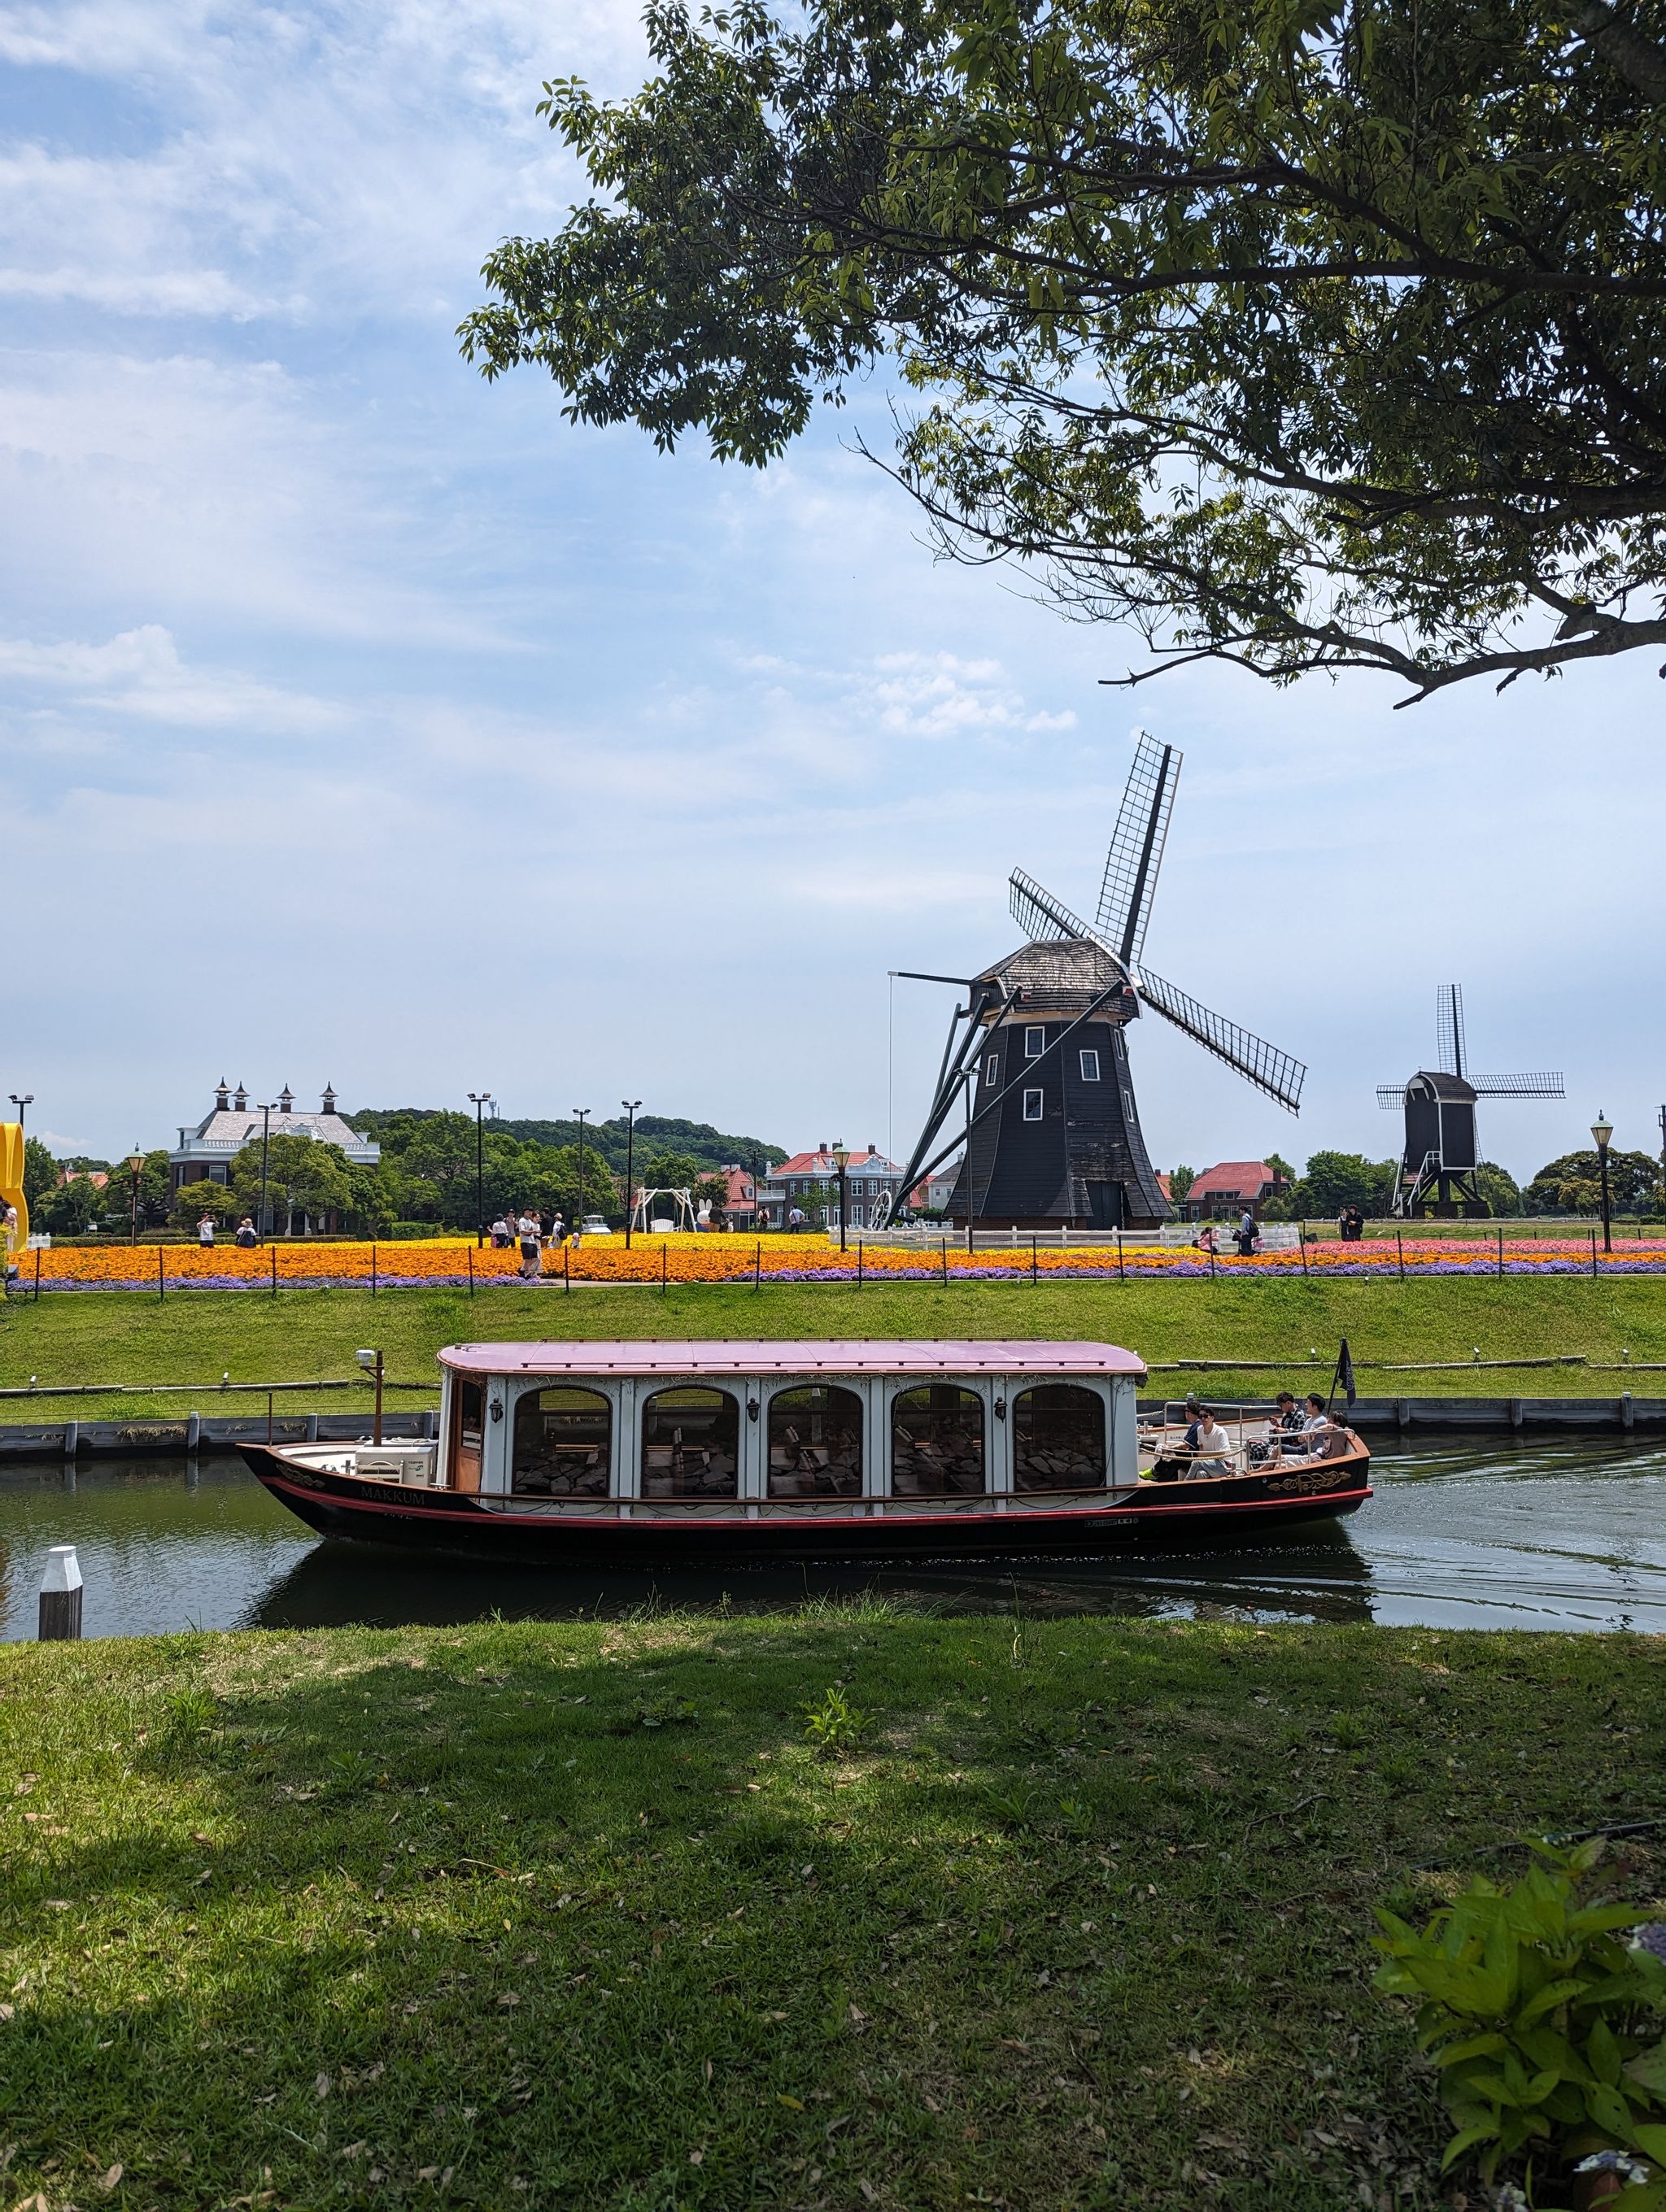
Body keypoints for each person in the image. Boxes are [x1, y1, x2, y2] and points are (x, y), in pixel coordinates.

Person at [517, 1208, 543, 1280]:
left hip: (532, 1241)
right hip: (525, 1242)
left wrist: (536, 1232)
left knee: (536, 1258)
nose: (530, 1213)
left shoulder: (530, 1221)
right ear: (525, 1212)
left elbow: (531, 1231)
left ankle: (522, 1269)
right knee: (527, 1259)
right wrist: (533, 1231)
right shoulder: (522, 1220)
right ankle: (526, 1274)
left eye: (531, 1212)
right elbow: (522, 1231)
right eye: (528, 1212)